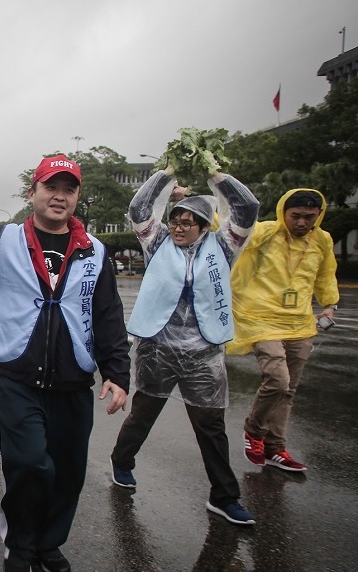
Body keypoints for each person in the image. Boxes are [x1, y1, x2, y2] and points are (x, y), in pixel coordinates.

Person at [0, 154, 130, 572]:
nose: (59, 196)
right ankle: (20, 544)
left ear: (77, 196)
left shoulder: (95, 252)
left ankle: (49, 545)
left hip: (73, 380)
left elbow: (108, 315)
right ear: (33, 193)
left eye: (69, 189)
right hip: (17, 379)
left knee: (67, 472)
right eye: (50, 187)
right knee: (29, 463)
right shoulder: (3, 240)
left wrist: (117, 372)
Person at [109, 168, 260, 526]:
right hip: (157, 348)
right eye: (176, 220)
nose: (179, 227)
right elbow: (140, 207)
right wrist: (166, 174)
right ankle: (122, 461)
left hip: (204, 353)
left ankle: (224, 496)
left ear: (205, 226)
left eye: (189, 222)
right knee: (143, 414)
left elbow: (247, 207)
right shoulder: (156, 242)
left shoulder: (223, 246)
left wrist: (215, 175)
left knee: (210, 425)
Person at [228, 188, 339, 473]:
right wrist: (190, 198)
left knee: (288, 390)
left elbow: (326, 275)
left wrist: (329, 305)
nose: (302, 223)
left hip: (300, 323)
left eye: (309, 217)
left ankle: (276, 449)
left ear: (318, 216)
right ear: (283, 213)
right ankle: (254, 430)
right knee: (277, 380)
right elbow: (228, 223)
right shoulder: (265, 232)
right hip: (260, 318)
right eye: (296, 216)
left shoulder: (322, 240)